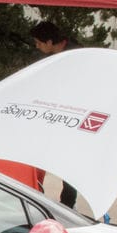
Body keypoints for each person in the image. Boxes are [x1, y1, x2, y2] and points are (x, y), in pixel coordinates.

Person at [32, 19, 83, 205]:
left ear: (49, 42)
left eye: (38, 43)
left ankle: (68, 204)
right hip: (62, 115)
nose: (37, 47)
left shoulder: (74, 55)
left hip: (75, 116)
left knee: (69, 163)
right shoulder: (61, 53)